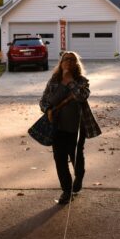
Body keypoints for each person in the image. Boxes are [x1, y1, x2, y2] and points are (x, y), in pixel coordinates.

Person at [39, 51, 101, 205]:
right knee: (59, 159)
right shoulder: (54, 81)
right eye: (66, 59)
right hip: (57, 127)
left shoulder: (82, 81)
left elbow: (81, 96)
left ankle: (79, 176)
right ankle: (66, 190)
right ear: (61, 63)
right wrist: (48, 110)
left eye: (72, 60)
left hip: (77, 127)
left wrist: (70, 81)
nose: (69, 62)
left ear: (76, 65)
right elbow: (45, 101)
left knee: (76, 156)